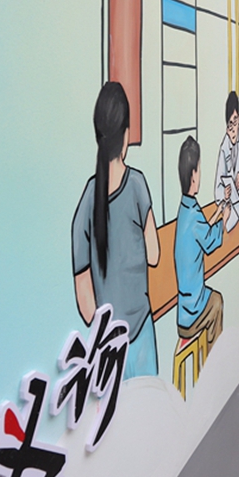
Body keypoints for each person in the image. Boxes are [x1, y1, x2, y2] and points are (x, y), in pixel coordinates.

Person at [72, 82, 160, 380]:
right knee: (149, 404)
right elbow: (154, 254)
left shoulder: (87, 200)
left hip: (107, 348)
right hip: (141, 332)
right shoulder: (136, 184)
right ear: (125, 136)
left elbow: (85, 299)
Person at [175, 136, 228, 352]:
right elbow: (211, 241)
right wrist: (224, 220)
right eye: (199, 169)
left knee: (213, 297)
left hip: (183, 308)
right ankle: (214, 357)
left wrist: (217, 212)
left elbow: (202, 229)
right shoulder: (193, 215)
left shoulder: (186, 210)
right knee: (217, 301)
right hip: (193, 310)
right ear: (193, 175)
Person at [215, 91, 239, 231]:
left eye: (235, 121)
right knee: (227, 228)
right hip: (232, 203)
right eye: (230, 124)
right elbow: (217, 185)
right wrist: (223, 193)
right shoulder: (224, 147)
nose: (234, 128)